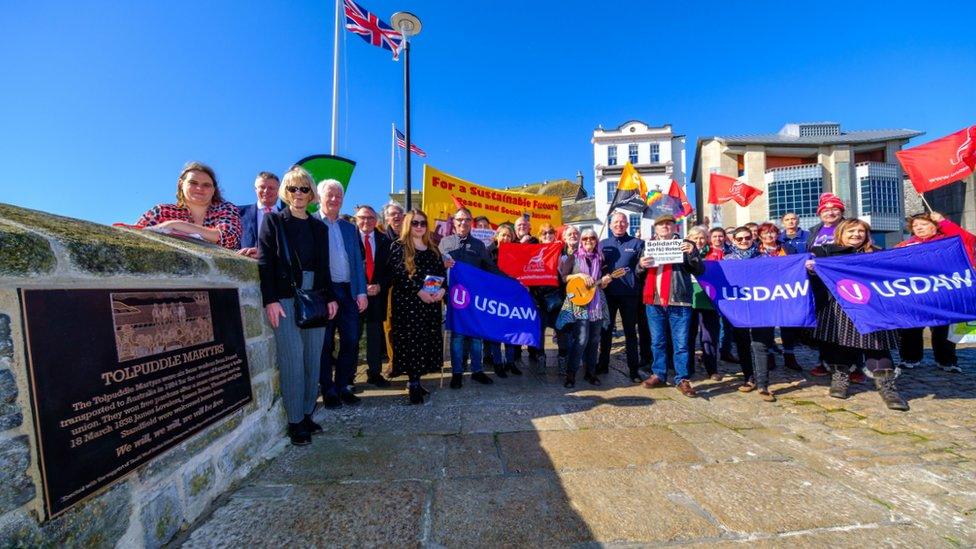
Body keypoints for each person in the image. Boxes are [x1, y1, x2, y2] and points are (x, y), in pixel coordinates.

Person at [257, 166, 338, 446]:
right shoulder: (274, 222)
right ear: (286, 192)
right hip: (286, 298)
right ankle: (294, 422)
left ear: (311, 193)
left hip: (314, 295)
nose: (299, 194)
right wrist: (270, 300)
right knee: (292, 360)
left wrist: (330, 298)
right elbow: (265, 263)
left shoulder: (318, 226)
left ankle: (306, 413)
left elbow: (325, 266)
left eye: (304, 188)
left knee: (312, 359)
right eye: (293, 189)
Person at [806, 219, 909, 410]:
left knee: (878, 347)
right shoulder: (824, 252)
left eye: (861, 231)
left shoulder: (877, 254)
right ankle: (839, 379)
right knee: (840, 345)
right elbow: (812, 278)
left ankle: (887, 388)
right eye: (851, 231)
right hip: (839, 307)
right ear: (841, 233)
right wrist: (812, 270)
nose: (856, 234)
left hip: (873, 309)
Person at [895, 211, 976, 372]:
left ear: (935, 226)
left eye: (923, 224)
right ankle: (910, 358)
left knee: (943, 329)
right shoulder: (905, 245)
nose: (919, 228)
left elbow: (969, 240)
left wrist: (943, 221)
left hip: (944, 295)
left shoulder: (950, 242)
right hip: (915, 295)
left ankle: (947, 361)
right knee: (911, 327)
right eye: (915, 225)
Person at [639, 215, 703, 397]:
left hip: (679, 299)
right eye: (661, 224)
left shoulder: (685, 245)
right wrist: (641, 265)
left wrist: (692, 253)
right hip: (654, 300)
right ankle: (659, 374)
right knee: (657, 341)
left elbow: (699, 270)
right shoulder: (647, 246)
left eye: (668, 224)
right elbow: (638, 274)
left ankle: (682, 378)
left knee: (681, 343)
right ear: (655, 229)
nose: (665, 226)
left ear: (675, 227)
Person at [316, 180, 368, 407]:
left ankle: (343, 385)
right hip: (323, 291)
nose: (335, 199)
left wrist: (361, 291)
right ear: (320, 197)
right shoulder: (312, 223)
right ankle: (328, 389)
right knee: (325, 343)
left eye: (339, 195)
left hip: (348, 290)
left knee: (351, 339)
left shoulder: (350, 228)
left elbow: (357, 262)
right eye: (331, 194)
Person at [389, 210, 447, 404]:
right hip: (408, 305)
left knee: (426, 341)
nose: (419, 226)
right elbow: (398, 274)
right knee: (412, 342)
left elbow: (441, 274)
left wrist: (442, 291)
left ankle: (418, 379)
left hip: (430, 305)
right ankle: (413, 384)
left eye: (423, 223)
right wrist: (418, 291)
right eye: (415, 223)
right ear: (408, 224)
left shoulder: (433, 249)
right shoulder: (398, 247)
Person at [439, 207, 497, 388]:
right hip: (453, 298)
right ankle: (457, 373)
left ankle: (477, 371)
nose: (462, 223)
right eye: (459, 220)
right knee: (457, 337)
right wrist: (442, 264)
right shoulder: (444, 243)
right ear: (454, 222)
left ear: (470, 223)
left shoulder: (479, 245)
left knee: (475, 337)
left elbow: (489, 268)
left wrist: (510, 281)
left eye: (466, 220)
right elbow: (435, 268)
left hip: (474, 299)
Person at [723, 226, 778, 401]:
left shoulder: (765, 258)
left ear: (753, 239)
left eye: (747, 238)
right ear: (734, 241)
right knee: (743, 344)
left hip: (761, 307)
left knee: (760, 345)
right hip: (739, 309)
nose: (744, 241)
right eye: (739, 239)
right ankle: (749, 378)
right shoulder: (727, 260)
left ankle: (763, 384)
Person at [135, 161, 242, 249]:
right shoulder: (161, 211)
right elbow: (135, 235)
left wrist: (176, 225)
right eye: (193, 183)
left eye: (206, 185)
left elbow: (229, 238)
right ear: (181, 184)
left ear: (214, 190)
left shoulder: (226, 209)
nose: (199, 188)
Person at [557, 228, 611, 388]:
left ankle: (590, 373)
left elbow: (604, 280)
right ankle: (571, 373)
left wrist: (606, 281)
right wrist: (580, 275)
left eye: (592, 238)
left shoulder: (601, 258)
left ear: (596, 241)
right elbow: (564, 277)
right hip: (579, 304)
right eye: (586, 238)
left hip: (596, 304)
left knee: (594, 340)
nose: (589, 241)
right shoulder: (574, 257)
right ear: (581, 241)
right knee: (580, 340)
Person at [598, 211, 645, 382]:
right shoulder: (602, 244)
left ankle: (633, 370)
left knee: (630, 333)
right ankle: (602, 364)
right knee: (606, 331)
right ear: (610, 225)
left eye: (622, 222)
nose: (619, 224)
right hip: (608, 294)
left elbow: (643, 269)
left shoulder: (638, 243)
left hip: (630, 295)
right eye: (616, 222)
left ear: (627, 224)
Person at [756, 222, 804, 372]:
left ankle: (789, 355)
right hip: (764, 293)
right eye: (765, 233)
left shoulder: (788, 248)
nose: (769, 235)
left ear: (777, 234)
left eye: (772, 232)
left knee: (787, 324)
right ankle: (769, 355)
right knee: (767, 325)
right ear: (760, 236)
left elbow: (798, 266)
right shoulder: (755, 251)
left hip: (786, 291)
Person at [354, 205, 393, 387]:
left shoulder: (384, 241)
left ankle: (374, 373)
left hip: (377, 296)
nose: (366, 221)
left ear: (376, 221)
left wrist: (380, 285)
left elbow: (390, 270)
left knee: (375, 337)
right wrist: (361, 287)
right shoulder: (349, 238)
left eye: (370, 218)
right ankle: (347, 378)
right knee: (352, 337)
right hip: (354, 296)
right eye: (362, 217)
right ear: (356, 219)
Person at [485, 224, 521, 377]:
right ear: (497, 236)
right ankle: (498, 363)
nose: (506, 238)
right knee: (495, 333)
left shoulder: (517, 252)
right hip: (494, 297)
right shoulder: (488, 252)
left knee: (511, 332)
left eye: (509, 236)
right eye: (503, 235)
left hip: (511, 297)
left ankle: (510, 362)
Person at [687, 226, 722, 381]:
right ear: (689, 238)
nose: (699, 241)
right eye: (695, 238)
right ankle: (688, 367)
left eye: (702, 238)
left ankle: (711, 368)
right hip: (689, 296)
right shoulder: (682, 252)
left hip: (709, 298)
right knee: (688, 334)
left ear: (707, 239)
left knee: (709, 336)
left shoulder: (716, 253)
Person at [555, 225, 581, 375]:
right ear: (564, 238)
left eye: (575, 233)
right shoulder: (558, 252)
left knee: (579, 331)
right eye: (569, 234)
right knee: (563, 329)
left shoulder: (584, 252)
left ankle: (576, 359)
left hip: (580, 296)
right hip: (561, 296)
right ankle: (563, 359)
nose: (573, 236)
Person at [237, 171, 280, 257]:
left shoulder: (288, 217)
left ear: (279, 191)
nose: (266, 191)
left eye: (271, 188)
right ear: (255, 189)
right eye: (262, 187)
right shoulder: (238, 213)